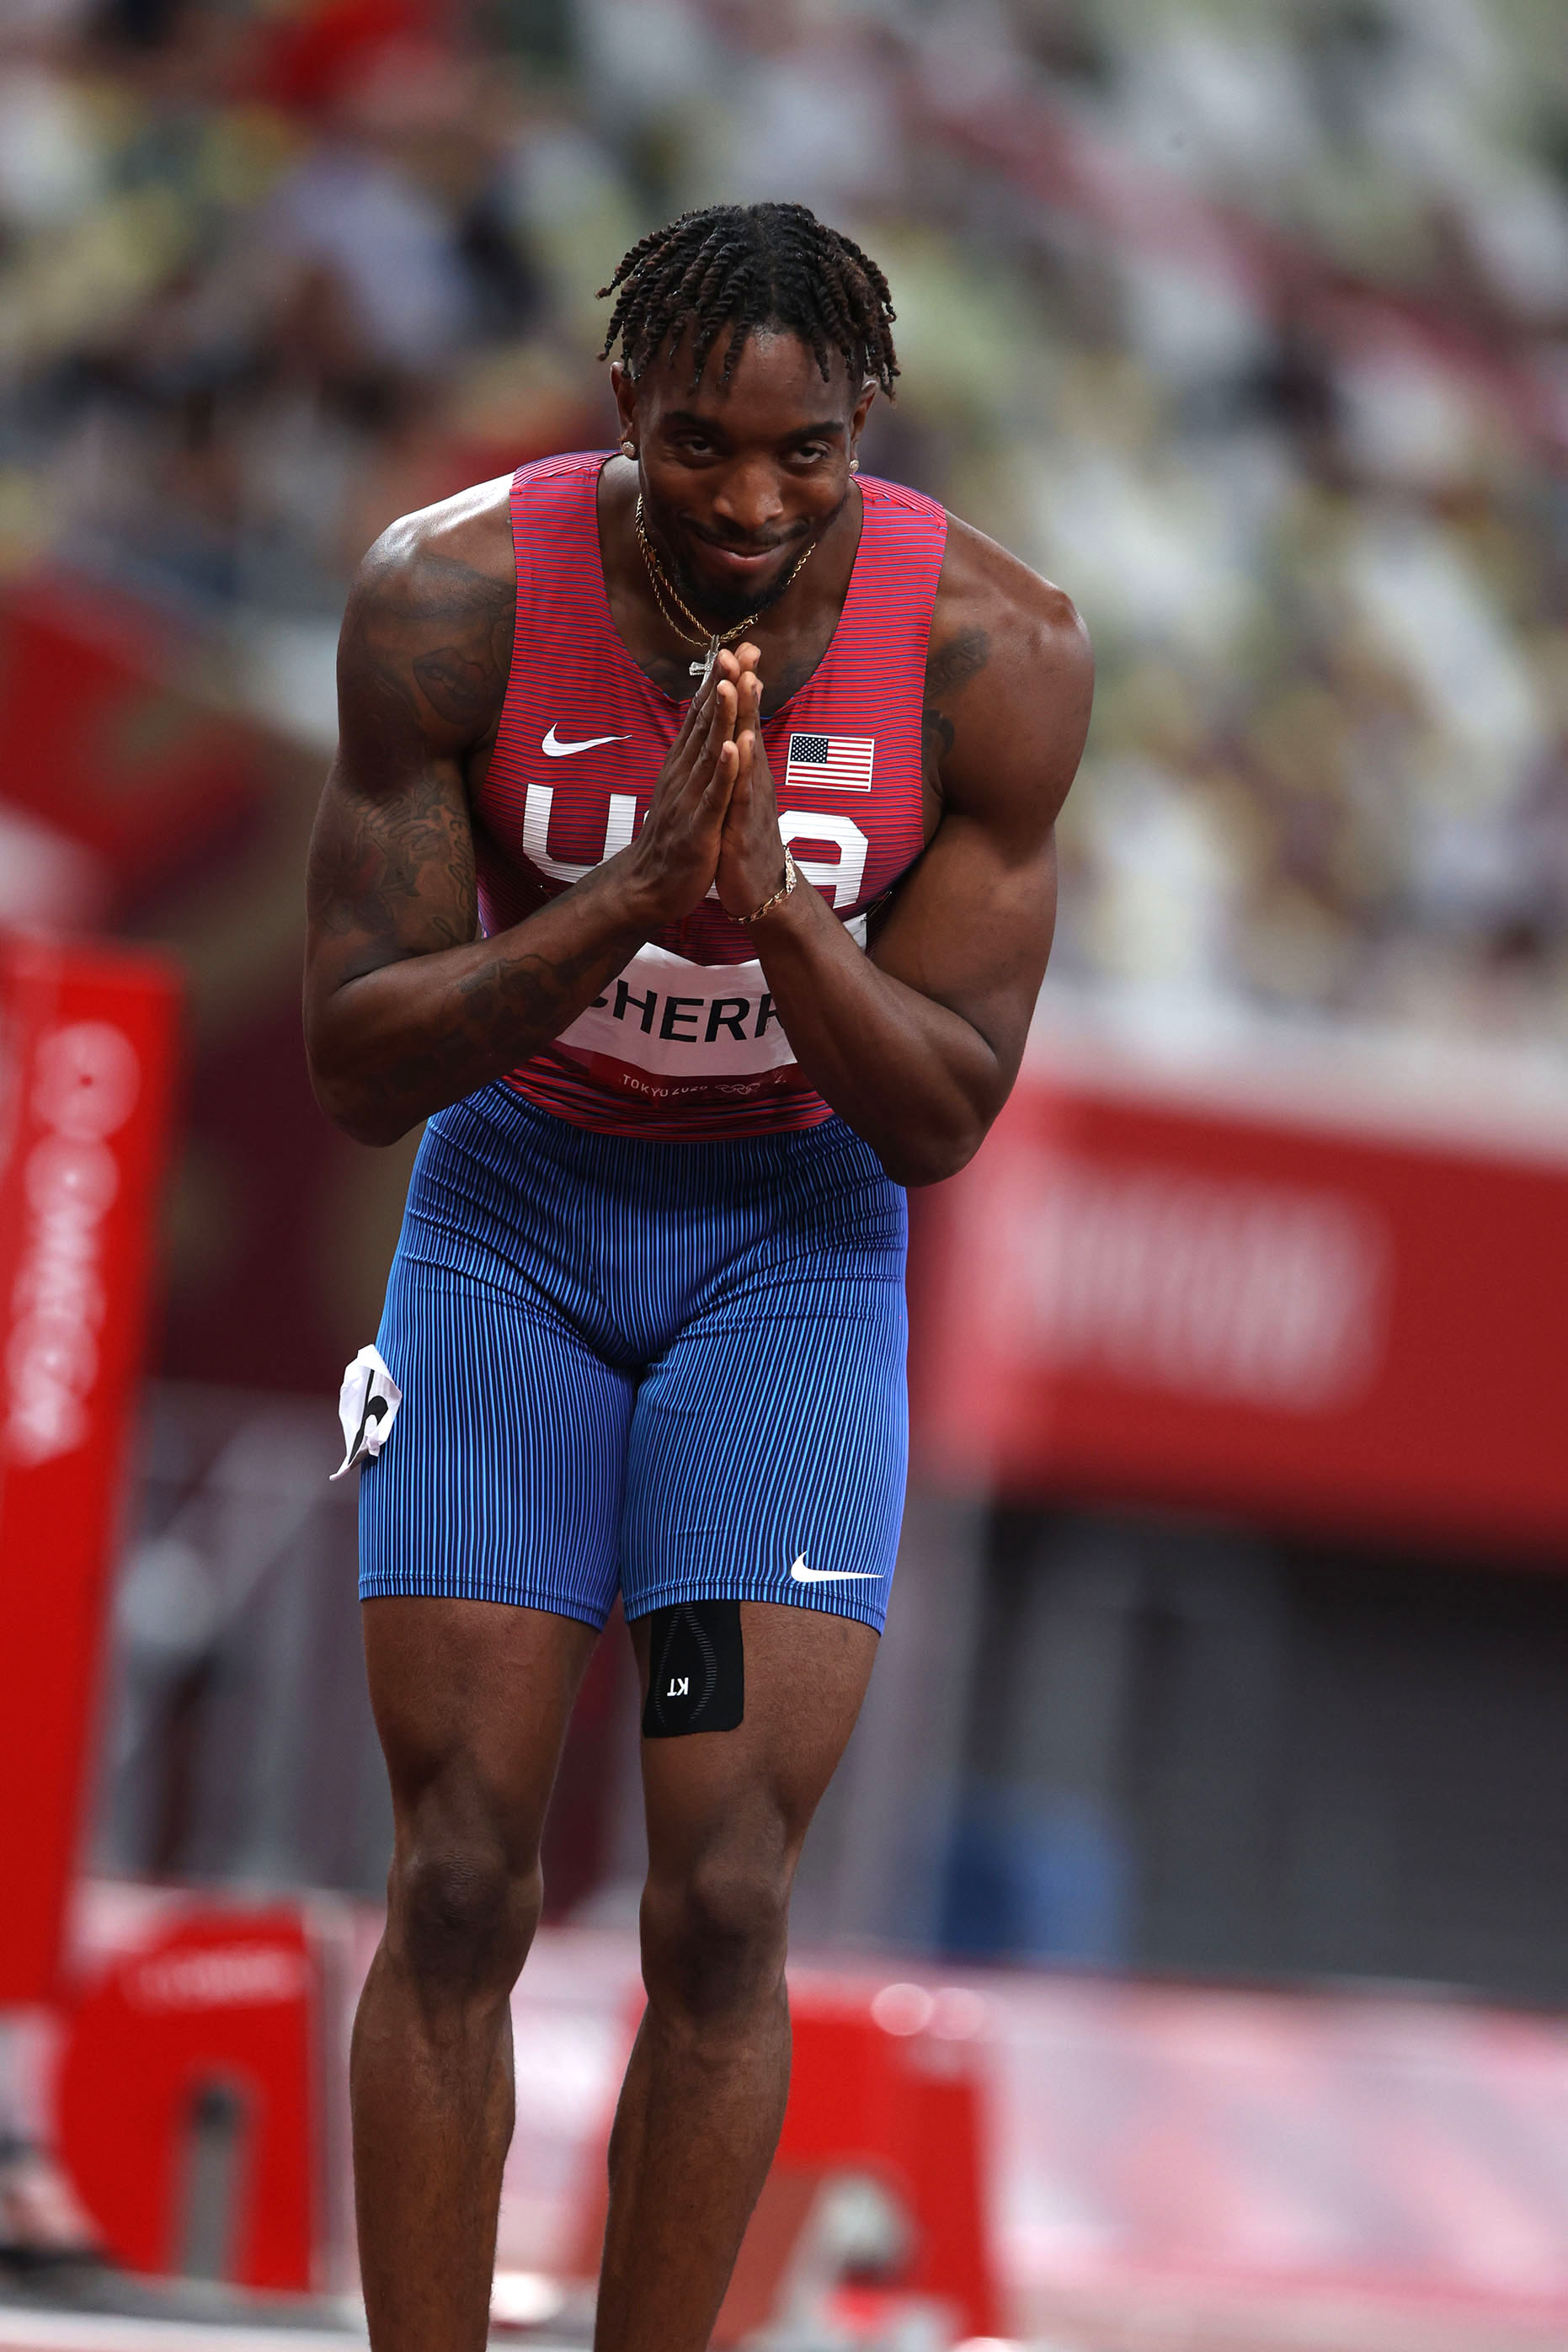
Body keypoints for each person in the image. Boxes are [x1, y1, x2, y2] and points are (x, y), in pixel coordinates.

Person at [302, 200, 1091, 2352]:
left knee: (727, 1899)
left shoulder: (995, 655)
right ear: (622, 406)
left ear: (869, 423)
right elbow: (358, 1060)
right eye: (698, 448)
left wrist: (776, 913)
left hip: (788, 1257)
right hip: (513, 1231)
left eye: (802, 453)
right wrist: (627, 897)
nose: (748, 503)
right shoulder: (449, 599)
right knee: (462, 1870)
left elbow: (938, 1112)